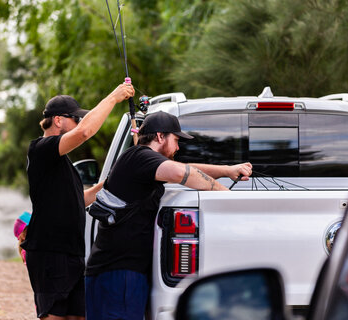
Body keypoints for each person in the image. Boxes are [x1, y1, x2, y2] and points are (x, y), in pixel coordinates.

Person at [85, 111, 253, 320]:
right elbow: (183, 173)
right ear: (159, 136)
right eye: (176, 140)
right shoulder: (140, 156)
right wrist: (228, 197)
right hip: (118, 273)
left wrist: (227, 170)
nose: (178, 147)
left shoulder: (143, 162)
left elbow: (185, 168)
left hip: (122, 272)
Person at [21, 82, 135, 320]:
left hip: (72, 254)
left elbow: (79, 200)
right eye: (76, 119)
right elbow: (85, 132)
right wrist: (113, 97)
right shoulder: (40, 150)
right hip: (50, 253)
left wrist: (119, 175)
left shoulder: (62, 163)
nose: (81, 124)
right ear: (58, 120)